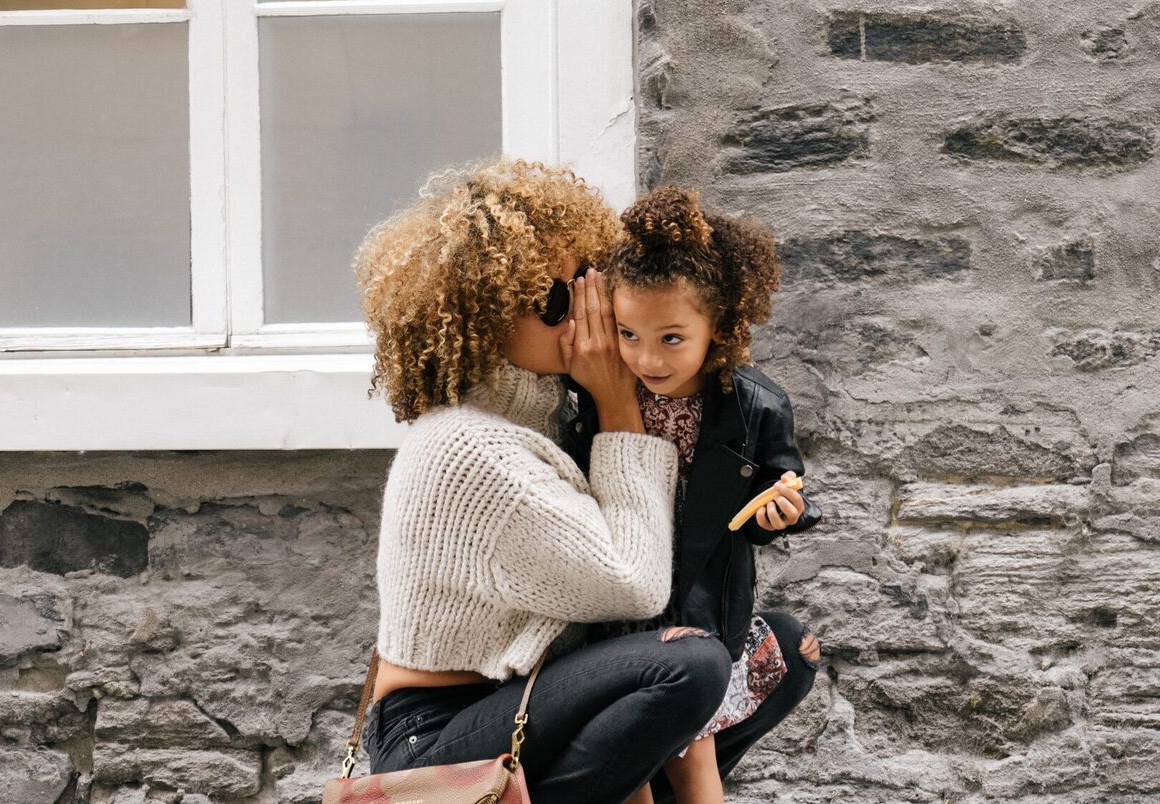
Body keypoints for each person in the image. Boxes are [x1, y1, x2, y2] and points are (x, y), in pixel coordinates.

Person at [352, 158, 733, 803]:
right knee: (689, 667)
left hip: (515, 702)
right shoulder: (468, 449)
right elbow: (633, 583)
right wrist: (619, 403)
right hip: (434, 734)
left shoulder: (546, 421)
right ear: (483, 315)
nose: (583, 315)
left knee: (777, 648)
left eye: (588, 285)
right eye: (555, 300)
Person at [565, 186, 826, 804]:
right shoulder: (594, 397)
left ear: (720, 326)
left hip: (699, 609)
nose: (647, 358)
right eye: (628, 334)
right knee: (630, 769)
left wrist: (778, 512)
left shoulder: (755, 405)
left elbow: (778, 485)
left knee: (694, 756)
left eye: (671, 338)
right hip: (614, 601)